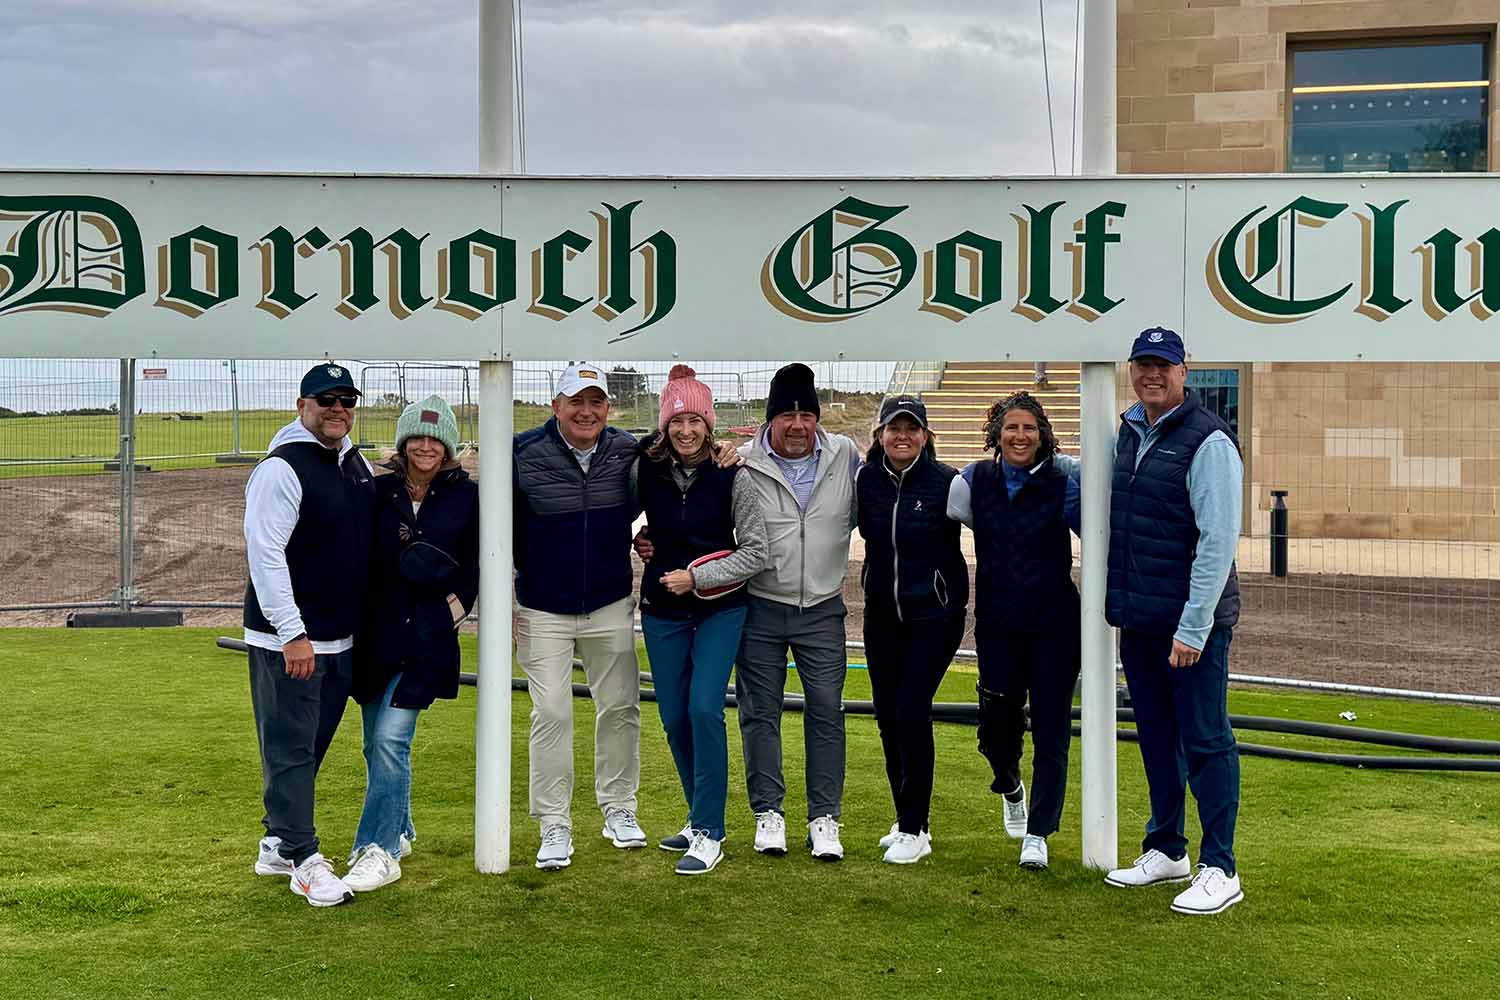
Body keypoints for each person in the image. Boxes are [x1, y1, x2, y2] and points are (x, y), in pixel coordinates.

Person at [1100, 327, 1245, 917]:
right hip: (1140, 618)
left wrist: (1193, 626)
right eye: (1143, 364)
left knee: (1206, 739)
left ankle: (1221, 866)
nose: (1151, 374)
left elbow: (1217, 542)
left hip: (1191, 626)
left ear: (1185, 371)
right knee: (1158, 736)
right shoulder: (1130, 431)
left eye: (1163, 365)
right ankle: (1167, 848)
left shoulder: (1208, 441)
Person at [244, 362, 374, 908]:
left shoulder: (352, 461)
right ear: (302, 406)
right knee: (291, 749)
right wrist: (292, 632)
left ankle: (277, 843)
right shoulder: (282, 468)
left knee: (310, 747)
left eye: (346, 399)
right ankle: (304, 859)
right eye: (326, 400)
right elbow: (266, 555)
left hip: (340, 639)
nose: (338, 408)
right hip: (291, 643)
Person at [513, 361, 648, 871]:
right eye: (576, 402)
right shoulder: (522, 453)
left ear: (608, 408)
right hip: (542, 609)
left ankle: (619, 808)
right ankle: (554, 822)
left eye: (596, 402)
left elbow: (665, 493)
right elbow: (495, 528)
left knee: (620, 708)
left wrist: (647, 536)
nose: (586, 411)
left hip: (611, 602)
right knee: (551, 714)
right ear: (556, 406)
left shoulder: (626, 451)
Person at [636, 366, 768, 875]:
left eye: (696, 420)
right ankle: (697, 817)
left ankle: (711, 831)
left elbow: (755, 552)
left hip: (720, 608)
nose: (686, 431)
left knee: (703, 710)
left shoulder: (734, 474)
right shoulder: (647, 468)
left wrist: (699, 577)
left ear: (710, 426)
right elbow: (637, 517)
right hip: (662, 609)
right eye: (676, 421)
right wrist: (640, 542)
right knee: (672, 718)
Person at [345, 396, 478, 892]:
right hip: (377, 636)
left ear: (449, 446)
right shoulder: (375, 492)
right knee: (372, 742)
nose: (425, 447)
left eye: (435, 438)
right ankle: (399, 829)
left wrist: (454, 611)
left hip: (426, 640)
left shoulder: (469, 498)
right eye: (416, 438)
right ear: (403, 444)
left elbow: (478, 564)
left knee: (390, 739)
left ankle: (376, 849)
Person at [947, 391, 1081, 872]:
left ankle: (1040, 833)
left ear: (1043, 435)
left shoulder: (1065, 482)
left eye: (1029, 428)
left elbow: (1097, 531)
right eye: (1011, 428)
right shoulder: (973, 481)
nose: (1020, 436)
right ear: (996, 436)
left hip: (1055, 624)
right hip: (998, 623)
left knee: (1051, 728)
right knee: (997, 726)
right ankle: (1009, 784)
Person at [734, 362, 860, 860]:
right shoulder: (742, 461)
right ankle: (769, 813)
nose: (797, 425)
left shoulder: (844, 454)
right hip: (762, 606)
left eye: (806, 414)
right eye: (786, 415)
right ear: (770, 420)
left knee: (827, 709)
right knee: (759, 713)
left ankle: (824, 818)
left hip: (824, 609)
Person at [855, 395, 968, 864]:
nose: (903, 435)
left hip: (935, 615)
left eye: (912, 428)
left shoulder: (948, 483)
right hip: (882, 611)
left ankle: (915, 828)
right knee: (887, 715)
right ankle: (905, 814)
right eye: (894, 427)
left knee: (910, 709)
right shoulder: (866, 480)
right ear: (880, 433)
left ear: (926, 435)